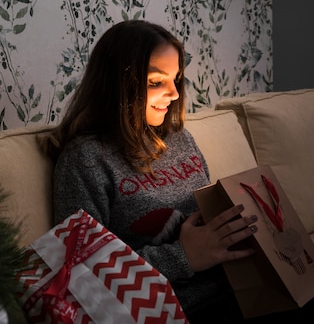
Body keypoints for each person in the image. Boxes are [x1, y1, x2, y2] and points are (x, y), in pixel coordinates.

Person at [46, 20, 261, 323]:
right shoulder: (86, 159)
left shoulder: (179, 138)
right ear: (117, 85)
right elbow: (80, 273)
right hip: (172, 311)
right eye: (156, 82)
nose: (174, 93)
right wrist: (183, 257)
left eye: (176, 79)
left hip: (239, 291)